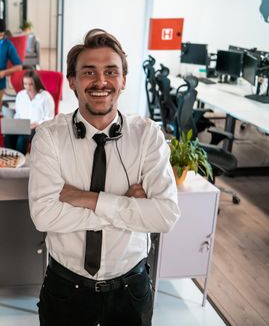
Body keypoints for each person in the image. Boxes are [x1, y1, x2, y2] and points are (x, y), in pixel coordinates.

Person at [28, 29, 180, 326]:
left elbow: (165, 216)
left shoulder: (147, 135)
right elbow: (44, 216)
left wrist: (85, 199)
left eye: (111, 72)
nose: (100, 82)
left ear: (123, 80)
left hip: (131, 290)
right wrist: (127, 207)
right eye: (89, 72)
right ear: (72, 81)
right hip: (64, 289)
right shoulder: (49, 137)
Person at [3, 70, 55, 154]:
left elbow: (50, 118)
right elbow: (18, 114)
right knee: (8, 136)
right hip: (22, 126)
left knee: (22, 138)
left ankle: (20, 162)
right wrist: (14, 124)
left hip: (37, 127)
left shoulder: (46, 97)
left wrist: (37, 123)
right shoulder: (20, 95)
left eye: (31, 84)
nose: (28, 87)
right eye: (25, 84)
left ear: (36, 83)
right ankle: (10, 161)